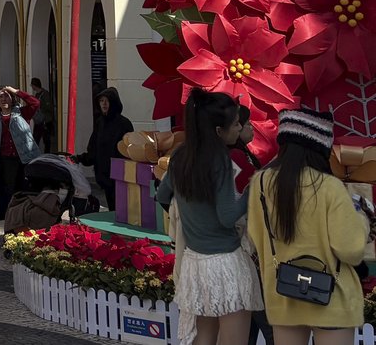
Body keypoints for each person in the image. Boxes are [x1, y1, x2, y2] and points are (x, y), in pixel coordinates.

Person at [246, 109, 370, 345]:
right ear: (321, 147)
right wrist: (362, 219)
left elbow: (256, 239)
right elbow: (350, 249)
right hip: (332, 295)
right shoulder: (329, 187)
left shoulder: (261, 183)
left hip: (283, 294)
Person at [156, 88, 259, 345]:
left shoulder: (180, 156)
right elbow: (227, 216)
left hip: (194, 262)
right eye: (235, 123)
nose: (239, 128)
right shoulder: (220, 162)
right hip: (227, 265)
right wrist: (252, 190)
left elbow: (162, 195)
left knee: (203, 338)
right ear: (218, 130)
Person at [0, 85, 41, 221]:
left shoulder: (22, 112)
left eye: (6, 95)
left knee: (20, 193)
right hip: (2, 161)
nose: (3, 99)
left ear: (12, 98)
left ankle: (21, 219)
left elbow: (35, 102)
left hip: (21, 161)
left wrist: (16, 91)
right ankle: (8, 221)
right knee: (4, 194)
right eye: (0, 96)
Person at [81, 87, 133, 209]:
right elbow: (94, 147)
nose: (104, 104)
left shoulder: (124, 124)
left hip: (119, 175)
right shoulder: (100, 122)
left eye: (107, 101)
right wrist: (82, 158)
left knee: (120, 208)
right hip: (104, 175)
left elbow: (128, 150)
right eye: (101, 101)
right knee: (112, 207)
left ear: (113, 103)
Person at [30, 77, 55, 155]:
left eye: (32, 85)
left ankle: (46, 155)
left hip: (45, 121)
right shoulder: (37, 95)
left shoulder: (45, 94)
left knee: (46, 140)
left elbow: (48, 107)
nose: (32, 87)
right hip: (39, 121)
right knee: (36, 138)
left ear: (35, 85)